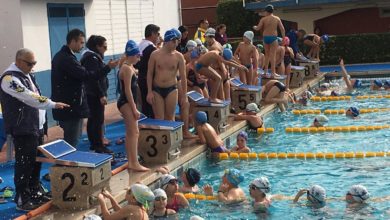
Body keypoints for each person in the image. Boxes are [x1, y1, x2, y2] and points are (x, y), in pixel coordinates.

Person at [0, 48, 69, 210]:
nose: (32, 66)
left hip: (35, 127)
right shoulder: (9, 79)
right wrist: (52, 104)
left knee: (36, 161)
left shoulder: (27, 74)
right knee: (25, 163)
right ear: (19, 61)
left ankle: (34, 190)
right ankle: (22, 198)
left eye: (35, 63)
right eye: (30, 63)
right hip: (22, 128)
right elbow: (28, 96)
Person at [51, 29, 117, 147]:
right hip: (70, 107)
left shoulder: (64, 57)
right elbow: (87, 76)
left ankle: (73, 159)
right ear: (73, 41)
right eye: (81, 43)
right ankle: (71, 162)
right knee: (72, 140)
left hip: (69, 105)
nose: (82, 46)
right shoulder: (67, 59)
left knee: (74, 137)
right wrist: (107, 68)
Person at [117, 40, 150, 172]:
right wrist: (134, 108)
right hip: (126, 103)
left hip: (126, 102)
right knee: (133, 132)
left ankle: (132, 161)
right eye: (138, 56)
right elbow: (127, 91)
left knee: (131, 132)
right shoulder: (126, 69)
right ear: (131, 55)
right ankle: (133, 162)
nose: (139, 58)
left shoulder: (127, 66)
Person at [81, 35, 114, 154]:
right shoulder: (91, 58)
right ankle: (97, 145)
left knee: (95, 120)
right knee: (96, 120)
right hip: (93, 94)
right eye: (104, 47)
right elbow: (94, 78)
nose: (106, 49)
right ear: (97, 46)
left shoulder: (92, 57)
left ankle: (96, 144)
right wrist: (101, 94)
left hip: (93, 93)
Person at [147, 29, 187, 121]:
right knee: (159, 118)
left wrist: (184, 96)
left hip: (172, 89)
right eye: (174, 41)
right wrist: (149, 91)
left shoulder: (179, 56)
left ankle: (170, 136)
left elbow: (183, 77)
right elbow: (149, 73)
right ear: (167, 41)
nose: (176, 44)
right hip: (157, 89)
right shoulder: (155, 54)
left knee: (170, 118)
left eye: (176, 41)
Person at [253, 4, 285, 78]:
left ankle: (265, 71)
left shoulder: (263, 19)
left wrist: (254, 27)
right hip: (273, 38)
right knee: (272, 55)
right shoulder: (277, 18)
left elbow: (258, 28)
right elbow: (282, 29)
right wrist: (283, 38)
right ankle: (273, 73)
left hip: (265, 37)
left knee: (267, 55)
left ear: (267, 11)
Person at [136, 24, 160, 118]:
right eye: (157, 34)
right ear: (152, 34)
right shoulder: (151, 48)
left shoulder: (141, 44)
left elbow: (137, 63)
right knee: (151, 105)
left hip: (141, 77)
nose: (158, 37)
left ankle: (146, 124)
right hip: (148, 79)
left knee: (145, 105)